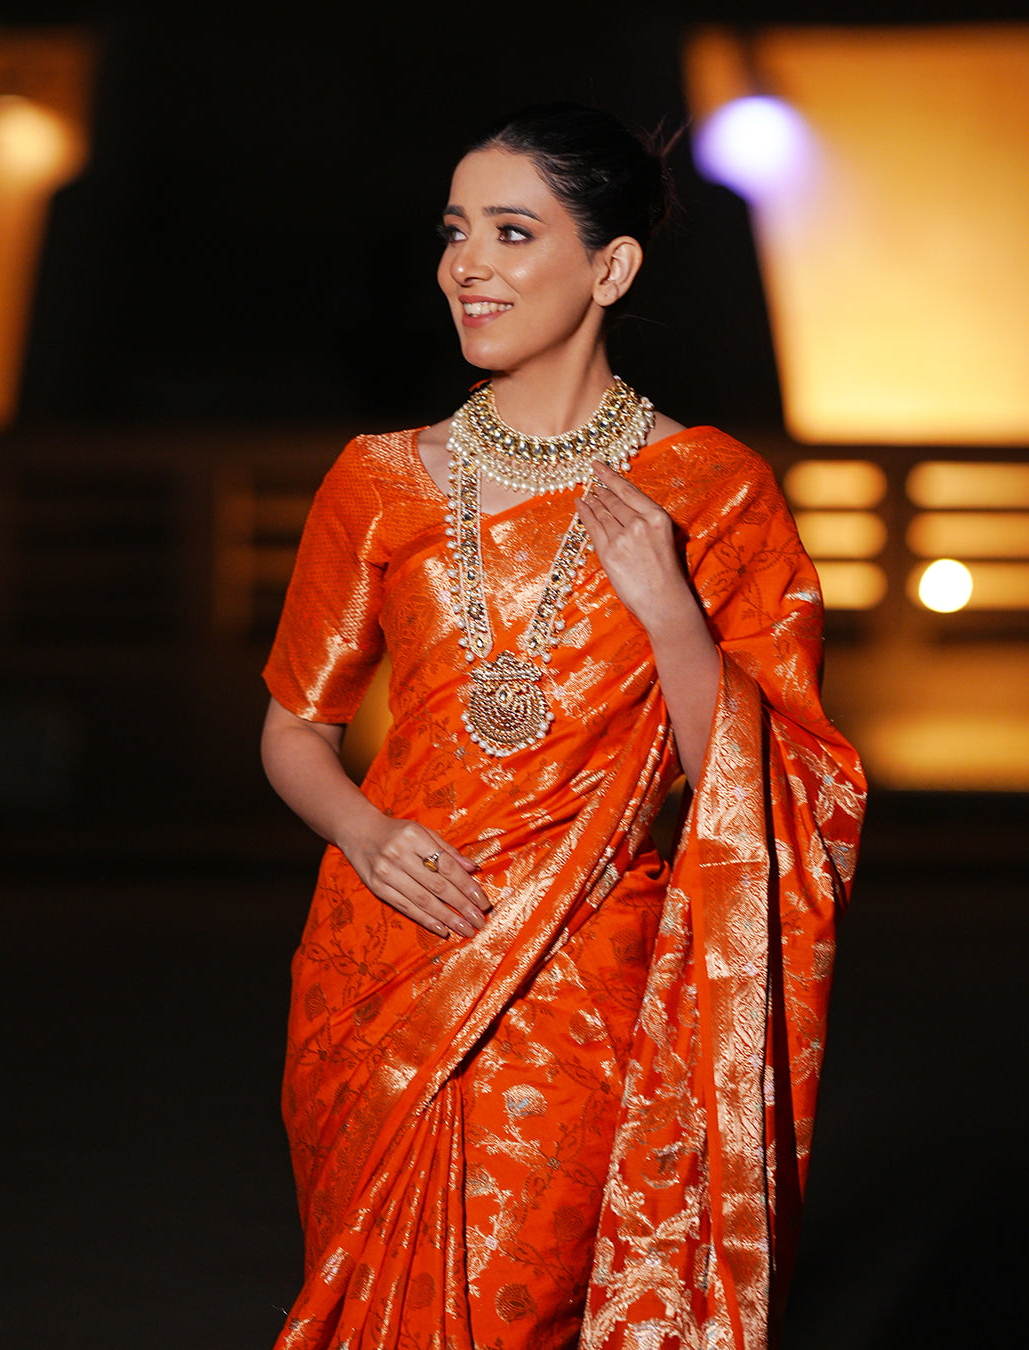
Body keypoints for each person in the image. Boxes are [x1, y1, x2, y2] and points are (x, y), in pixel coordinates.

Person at [260, 103, 865, 1350]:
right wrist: (365, 834)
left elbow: (777, 787)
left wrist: (673, 617)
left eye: (510, 230)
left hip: (581, 979)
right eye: (454, 231)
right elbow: (291, 731)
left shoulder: (709, 490)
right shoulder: (380, 480)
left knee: (533, 1299)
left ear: (611, 267)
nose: (464, 265)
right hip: (377, 969)